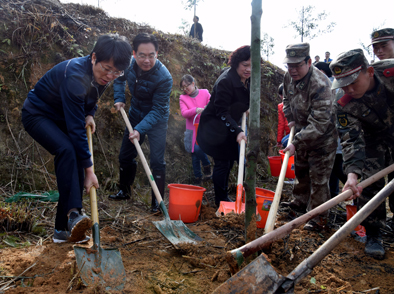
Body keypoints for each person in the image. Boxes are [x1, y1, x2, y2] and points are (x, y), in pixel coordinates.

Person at [21, 34, 132, 243]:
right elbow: (75, 129)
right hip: (38, 114)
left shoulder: (103, 75)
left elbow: (92, 97)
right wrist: (89, 171)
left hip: (61, 114)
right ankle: (73, 215)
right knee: (67, 150)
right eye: (107, 69)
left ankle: (62, 231)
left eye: (116, 72)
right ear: (93, 58)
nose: (110, 76)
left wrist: (90, 113)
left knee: (72, 155)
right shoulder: (74, 75)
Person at [330, 49, 394, 260]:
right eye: (343, 84)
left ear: (369, 71)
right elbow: (351, 140)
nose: (348, 89)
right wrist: (352, 175)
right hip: (372, 139)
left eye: (352, 82)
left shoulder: (390, 74)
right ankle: (374, 234)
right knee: (369, 182)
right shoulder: (343, 102)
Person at [109, 33, 173, 214]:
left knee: (157, 161)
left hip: (157, 121)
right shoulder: (128, 63)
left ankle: (157, 202)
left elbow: (159, 109)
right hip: (135, 114)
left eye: (151, 55)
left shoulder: (164, 77)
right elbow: (119, 78)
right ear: (134, 53)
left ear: (157, 54)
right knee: (125, 156)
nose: (147, 60)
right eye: (142, 55)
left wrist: (139, 129)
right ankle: (124, 191)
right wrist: (120, 98)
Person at [281, 43, 338, 231]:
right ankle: (298, 205)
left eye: (298, 65)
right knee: (301, 172)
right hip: (301, 133)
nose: (293, 70)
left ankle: (318, 217)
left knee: (319, 179)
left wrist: (296, 141)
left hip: (322, 138)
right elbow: (286, 100)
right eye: (290, 65)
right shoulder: (288, 77)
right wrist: (290, 119)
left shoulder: (320, 84)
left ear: (309, 62)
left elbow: (319, 123)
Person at [197, 46, 250, 207]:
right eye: (245, 65)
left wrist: (244, 108)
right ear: (236, 64)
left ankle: (229, 196)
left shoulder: (248, 78)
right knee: (222, 162)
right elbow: (221, 111)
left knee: (232, 161)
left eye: (251, 65)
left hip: (229, 125)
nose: (248, 69)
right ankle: (221, 201)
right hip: (215, 127)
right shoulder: (226, 81)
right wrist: (238, 131)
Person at [314, 62, 347, 197]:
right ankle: (333, 195)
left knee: (338, 168)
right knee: (333, 169)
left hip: (337, 139)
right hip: (332, 139)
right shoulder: (327, 86)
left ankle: (355, 193)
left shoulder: (334, 88)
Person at [179, 75, 211, 185]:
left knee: (198, 149)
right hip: (192, 130)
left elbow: (212, 104)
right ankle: (198, 178)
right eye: (183, 87)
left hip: (205, 128)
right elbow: (184, 113)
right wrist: (196, 110)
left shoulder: (205, 93)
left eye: (186, 86)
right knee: (194, 155)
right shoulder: (183, 98)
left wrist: (206, 109)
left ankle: (207, 165)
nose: (185, 89)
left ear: (193, 83)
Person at [276, 83, 290, 148]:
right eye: (281, 95)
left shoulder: (295, 104)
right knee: (284, 142)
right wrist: (279, 140)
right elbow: (281, 124)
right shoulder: (280, 106)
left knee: (284, 141)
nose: (283, 97)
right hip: (289, 133)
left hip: (297, 132)